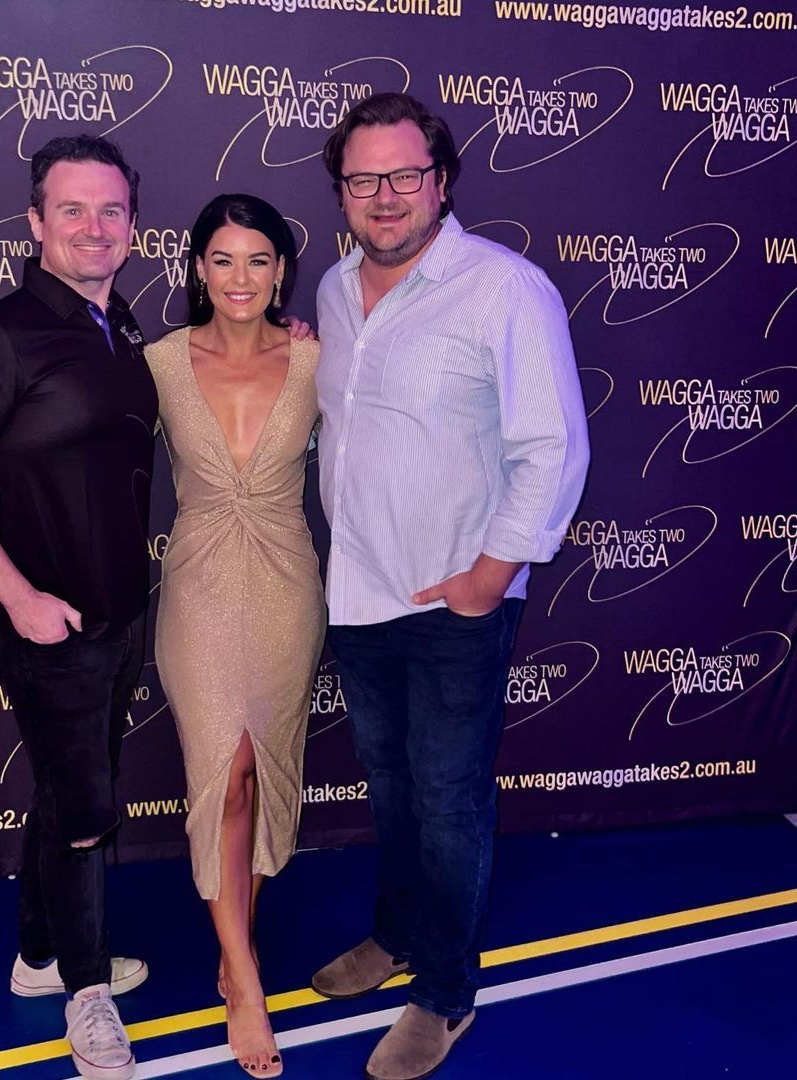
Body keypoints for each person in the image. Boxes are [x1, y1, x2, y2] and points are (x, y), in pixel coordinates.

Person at [310, 93, 590, 1080]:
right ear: (341, 192)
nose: (385, 196)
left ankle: (444, 992)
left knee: (448, 798)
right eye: (363, 179)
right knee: (390, 787)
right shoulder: (333, 289)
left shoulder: (503, 288)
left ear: (441, 180)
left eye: (405, 175)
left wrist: (489, 577)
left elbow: (552, 446)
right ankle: (397, 935)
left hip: (452, 605)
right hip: (360, 593)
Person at [0, 134, 156, 1080]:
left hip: (118, 618)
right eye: (72, 210)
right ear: (35, 223)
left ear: (132, 225)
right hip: (48, 629)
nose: (94, 227)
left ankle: (39, 957)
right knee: (86, 808)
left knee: (67, 789)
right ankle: (87, 996)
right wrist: (20, 600)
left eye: (111, 210)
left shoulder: (120, 323)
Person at [144, 194, 324, 1076]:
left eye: (258, 260)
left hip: (288, 585)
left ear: (281, 270)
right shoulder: (161, 362)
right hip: (199, 586)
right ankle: (244, 983)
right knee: (223, 772)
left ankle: (235, 943)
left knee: (262, 770)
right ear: (197, 269)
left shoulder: (320, 359)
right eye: (222, 259)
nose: (240, 277)